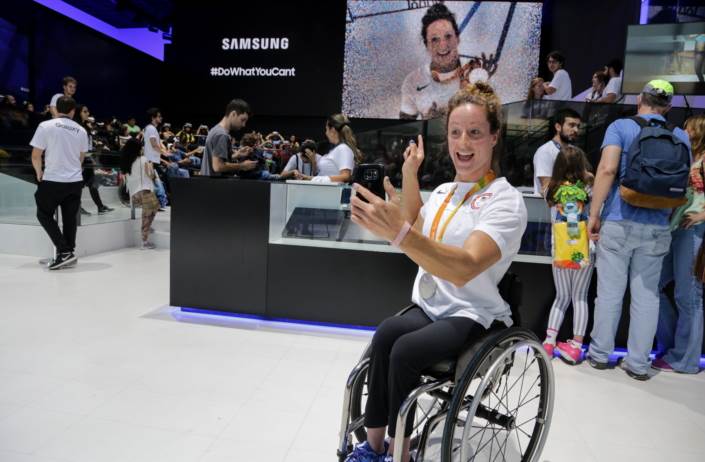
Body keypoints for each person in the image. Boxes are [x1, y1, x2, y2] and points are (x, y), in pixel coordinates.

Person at [345, 82, 527, 462]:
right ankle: (373, 447)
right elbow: (416, 224)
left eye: (475, 133)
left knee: (406, 351)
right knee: (385, 336)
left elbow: (464, 267)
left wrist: (399, 232)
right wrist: (410, 174)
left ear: (494, 137)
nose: (463, 142)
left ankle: (401, 453)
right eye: (456, 132)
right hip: (432, 304)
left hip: (471, 311)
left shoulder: (505, 200)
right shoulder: (446, 189)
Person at [586, 80, 691, 381]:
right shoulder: (681, 135)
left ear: (639, 99)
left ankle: (600, 355)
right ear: (668, 106)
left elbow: (606, 170)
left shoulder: (621, 126)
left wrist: (594, 214)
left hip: (619, 218)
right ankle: (638, 364)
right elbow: (679, 184)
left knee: (609, 294)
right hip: (657, 225)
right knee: (647, 297)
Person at [655, 114, 705, 374]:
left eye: (687, 127)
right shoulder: (689, 157)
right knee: (655, 286)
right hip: (676, 228)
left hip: (694, 230)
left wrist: (701, 216)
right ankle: (673, 347)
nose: (684, 130)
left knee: (689, 296)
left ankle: (685, 359)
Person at [541, 145, 595, 364]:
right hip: (583, 248)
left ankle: (549, 342)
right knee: (580, 297)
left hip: (561, 248)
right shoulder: (589, 187)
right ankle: (575, 346)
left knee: (561, 296)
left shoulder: (550, 189)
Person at [399, 3, 496, 120]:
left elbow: (490, 124)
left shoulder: (477, 72)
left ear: (457, 39)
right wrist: (431, 122)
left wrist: (480, 90)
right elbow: (404, 128)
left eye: (448, 36)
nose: (443, 45)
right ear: (426, 45)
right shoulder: (412, 81)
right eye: (435, 39)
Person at [30, 96, 88, 270]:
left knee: (43, 214)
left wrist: (39, 172)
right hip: (75, 181)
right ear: (73, 111)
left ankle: (64, 251)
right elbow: (81, 158)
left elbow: (35, 154)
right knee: (70, 219)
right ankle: (68, 252)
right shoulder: (81, 130)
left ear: (56, 108)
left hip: (53, 179)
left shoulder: (46, 126)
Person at [199, 99, 258, 176]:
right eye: (242, 120)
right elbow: (218, 166)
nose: (244, 125)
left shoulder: (215, 130)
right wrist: (242, 166)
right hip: (215, 185)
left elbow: (215, 159)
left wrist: (237, 154)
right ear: (233, 114)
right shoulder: (221, 135)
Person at [297, 114, 363, 183]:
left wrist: (316, 179)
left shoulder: (343, 149)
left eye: (326, 129)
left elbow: (345, 176)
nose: (326, 133)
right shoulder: (336, 149)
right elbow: (324, 176)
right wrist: (307, 177)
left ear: (332, 130)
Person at [73, 105, 113, 215]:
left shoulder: (85, 126)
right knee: (81, 185)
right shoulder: (77, 126)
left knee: (91, 184)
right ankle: (78, 208)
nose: (87, 113)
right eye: (85, 111)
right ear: (78, 113)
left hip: (87, 158)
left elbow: (87, 142)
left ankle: (99, 207)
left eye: (88, 111)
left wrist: (96, 146)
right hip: (80, 160)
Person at [120, 138, 159, 250]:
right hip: (144, 190)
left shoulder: (127, 161)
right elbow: (151, 175)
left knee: (153, 208)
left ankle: (146, 229)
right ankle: (144, 240)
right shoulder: (143, 159)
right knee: (148, 213)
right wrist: (151, 166)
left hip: (134, 193)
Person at [533, 108, 582, 196]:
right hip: (549, 207)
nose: (576, 130)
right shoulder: (545, 151)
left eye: (578, 126)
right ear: (558, 127)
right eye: (571, 125)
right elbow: (546, 186)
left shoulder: (575, 151)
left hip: (572, 205)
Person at [143, 108, 169, 208]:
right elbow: (154, 144)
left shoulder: (150, 128)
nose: (161, 118)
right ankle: (156, 203)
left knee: (153, 183)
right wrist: (164, 153)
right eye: (159, 116)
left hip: (151, 160)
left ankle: (155, 204)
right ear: (153, 117)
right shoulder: (151, 129)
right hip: (150, 161)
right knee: (155, 184)